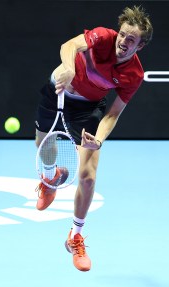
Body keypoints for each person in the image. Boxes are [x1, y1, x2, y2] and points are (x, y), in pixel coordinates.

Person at [34, 5, 153, 272]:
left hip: (89, 107)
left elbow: (113, 114)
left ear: (140, 46)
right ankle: (50, 178)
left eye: (131, 40)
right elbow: (69, 45)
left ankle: (75, 235)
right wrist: (69, 69)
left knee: (88, 176)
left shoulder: (133, 75)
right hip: (59, 90)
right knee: (44, 149)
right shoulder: (103, 36)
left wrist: (97, 140)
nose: (123, 42)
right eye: (123, 35)